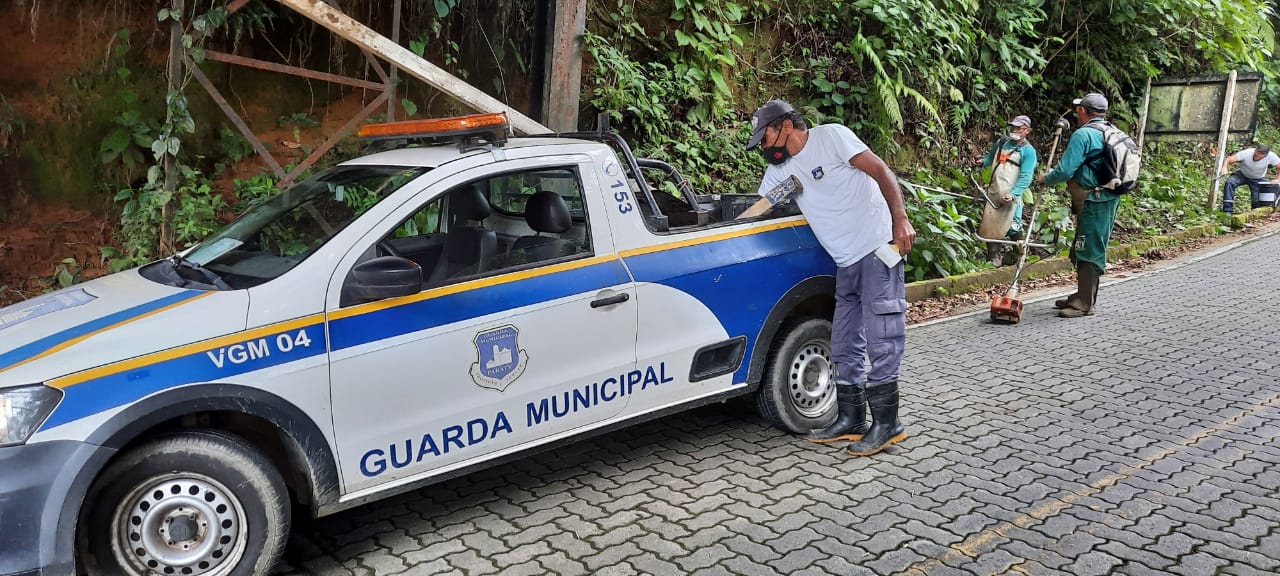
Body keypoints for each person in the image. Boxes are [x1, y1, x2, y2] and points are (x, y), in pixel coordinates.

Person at [745, 99, 915, 456]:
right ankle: (851, 418)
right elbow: (761, 206)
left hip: (876, 246)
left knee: (883, 335)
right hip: (845, 261)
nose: (763, 147)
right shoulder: (780, 170)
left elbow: (881, 170)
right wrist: (733, 227)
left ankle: (888, 424)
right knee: (843, 341)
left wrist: (900, 219)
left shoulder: (832, 138)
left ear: (785, 126)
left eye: (765, 138)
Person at [1035, 92, 1120, 318]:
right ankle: (1083, 295)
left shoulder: (1084, 134)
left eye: (1078, 109)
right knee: (1087, 244)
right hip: (1106, 197)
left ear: (1082, 110)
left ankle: (1084, 303)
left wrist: (1046, 179)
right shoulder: (1110, 130)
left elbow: (1065, 170)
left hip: (1095, 199)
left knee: (1089, 247)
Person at [978, 115, 1038, 266]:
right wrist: (981, 162)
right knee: (990, 225)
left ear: (1027, 131)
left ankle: (1018, 255)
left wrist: (1014, 194)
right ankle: (994, 258)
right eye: (1013, 127)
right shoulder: (1002, 143)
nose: (1015, 130)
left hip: (1011, 195)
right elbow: (990, 158)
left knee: (1013, 226)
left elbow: (1026, 177)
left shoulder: (1028, 151)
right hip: (994, 191)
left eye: (1019, 128)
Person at [1219, 144, 1280, 212]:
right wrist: (1224, 167)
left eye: (1261, 156)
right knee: (1230, 182)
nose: (1257, 157)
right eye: (1256, 154)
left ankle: (1254, 213)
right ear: (1255, 150)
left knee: (1256, 200)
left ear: (1266, 155)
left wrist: (1278, 179)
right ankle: (1227, 210)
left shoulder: (1271, 156)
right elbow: (1229, 159)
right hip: (1242, 174)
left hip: (1258, 178)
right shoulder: (1246, 153)